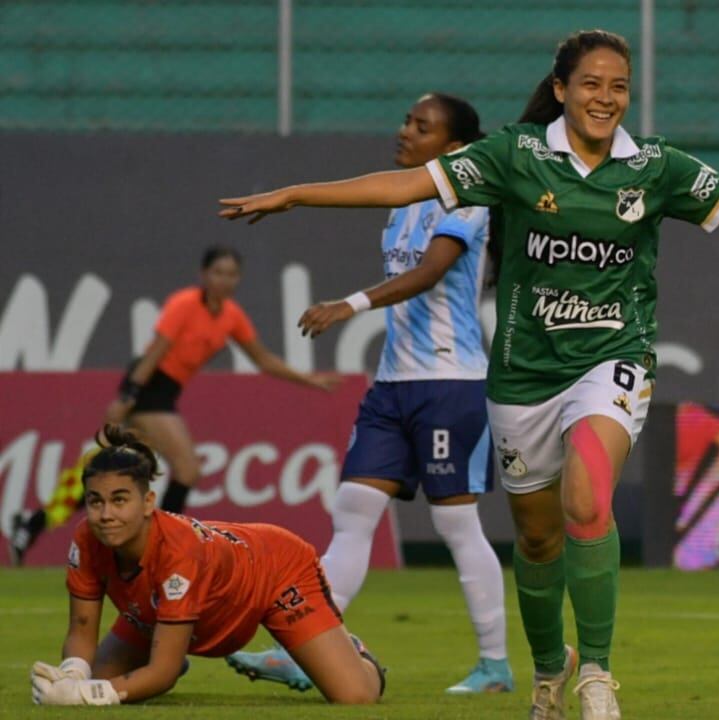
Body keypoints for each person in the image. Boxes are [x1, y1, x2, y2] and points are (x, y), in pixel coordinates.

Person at [218, 29, 719, 720]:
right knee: (536, 542)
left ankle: (596, 671)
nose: (606, 97)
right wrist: (295, 194)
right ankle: (547, 670)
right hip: (523, 376)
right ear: (562, 89)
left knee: (588, 498)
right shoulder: (516, 154)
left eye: (619, 86)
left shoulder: (655, 167)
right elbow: (404, 186)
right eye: (592, 84)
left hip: (613, 357)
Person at [224, 92, 513, 696]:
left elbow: (430, 272)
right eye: (407, 120)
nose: (405, 131)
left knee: (456, 524)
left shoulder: (470, 199)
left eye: (421, 126)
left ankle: (494, 666)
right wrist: (293, 195)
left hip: (449, 382)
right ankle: (305, 650)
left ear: (453, 148)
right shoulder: (403, 203)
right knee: (353, 510)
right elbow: (363, 195)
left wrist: (349, 305)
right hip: (393, 385)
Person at [8, 247, 337, 565]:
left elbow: (263, 360)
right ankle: (161, 545)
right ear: (204, 274)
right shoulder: (184, 304)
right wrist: (126, 398)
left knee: (106, 467)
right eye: (218, 272)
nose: (225, 280)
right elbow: (155, 352)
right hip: (148, 387)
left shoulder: (231, 315)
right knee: (186, 469)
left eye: (232, 274)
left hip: (165, 392)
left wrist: (309, 380)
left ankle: (32, 524)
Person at [28, 425, 386, 706]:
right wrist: (72, 676)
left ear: (148, 502)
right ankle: (162, 648)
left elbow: (163, 674)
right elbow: (81, 630)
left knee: (355, 695)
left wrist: (85, 695)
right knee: (99, 677)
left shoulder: (178, 553)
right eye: (95, 502)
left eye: (119, 500)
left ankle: (351, 648)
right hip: (159, 610)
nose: (106, 514)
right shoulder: (86, 539)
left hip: (273, 572)